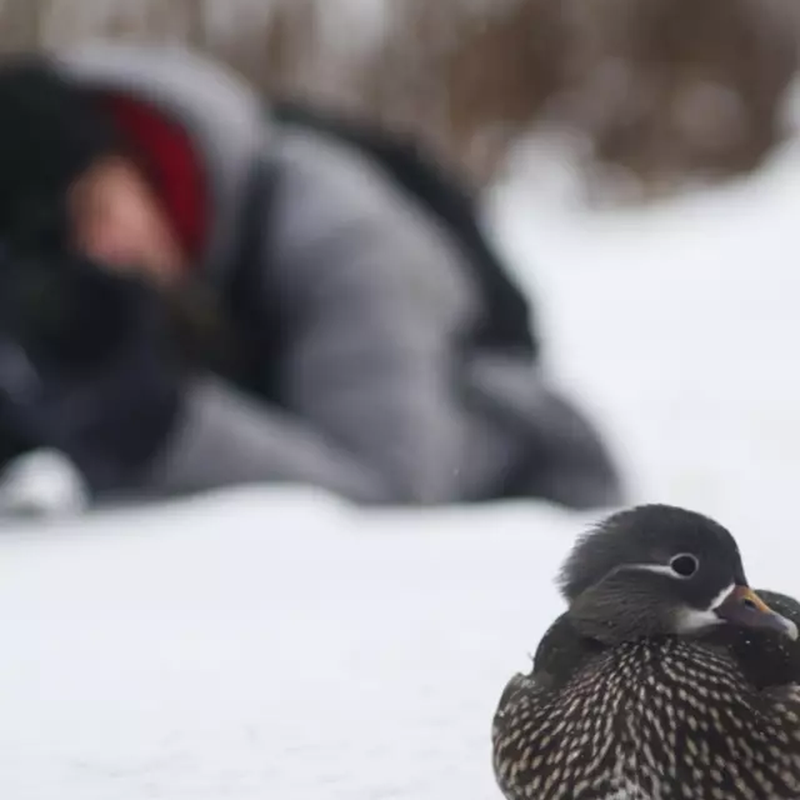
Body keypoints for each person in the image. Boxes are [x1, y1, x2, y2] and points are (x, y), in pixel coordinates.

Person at [0, 42, 622, 512]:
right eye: (63, 250)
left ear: (137, 161)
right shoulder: (69, 295)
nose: (101, 255)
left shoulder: (341, 232)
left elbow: (396, 500)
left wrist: (161, 424)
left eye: (97, 210)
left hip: (531, 537)